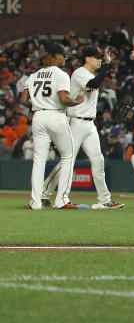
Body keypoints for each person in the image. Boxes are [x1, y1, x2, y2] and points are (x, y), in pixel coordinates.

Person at [42, 47, 124, 209]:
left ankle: (104, 199)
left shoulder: (91, 74)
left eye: (101, 57)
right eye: (97, 57)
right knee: (68, 161)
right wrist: (107, 65)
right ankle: (44, 194)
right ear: (87, 58)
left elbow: (95, 81)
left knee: (98, 159)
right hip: (75, 122)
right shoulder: (80, 73)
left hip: (89, 124)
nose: (100, 59)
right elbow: (94, 83)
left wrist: (105, 67)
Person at [21, 43, 84, 210]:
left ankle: (35, 202)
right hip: (55, 115)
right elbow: (63, 98)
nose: (65, 59)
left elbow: (23, 100)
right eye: (64, 56)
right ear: (57, 56)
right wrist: (76, 101)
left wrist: (36, 104)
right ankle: (62, 200)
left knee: (39, 160)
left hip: (38, 116)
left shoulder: (34, 75)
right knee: (68, 155)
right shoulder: (61, 74)